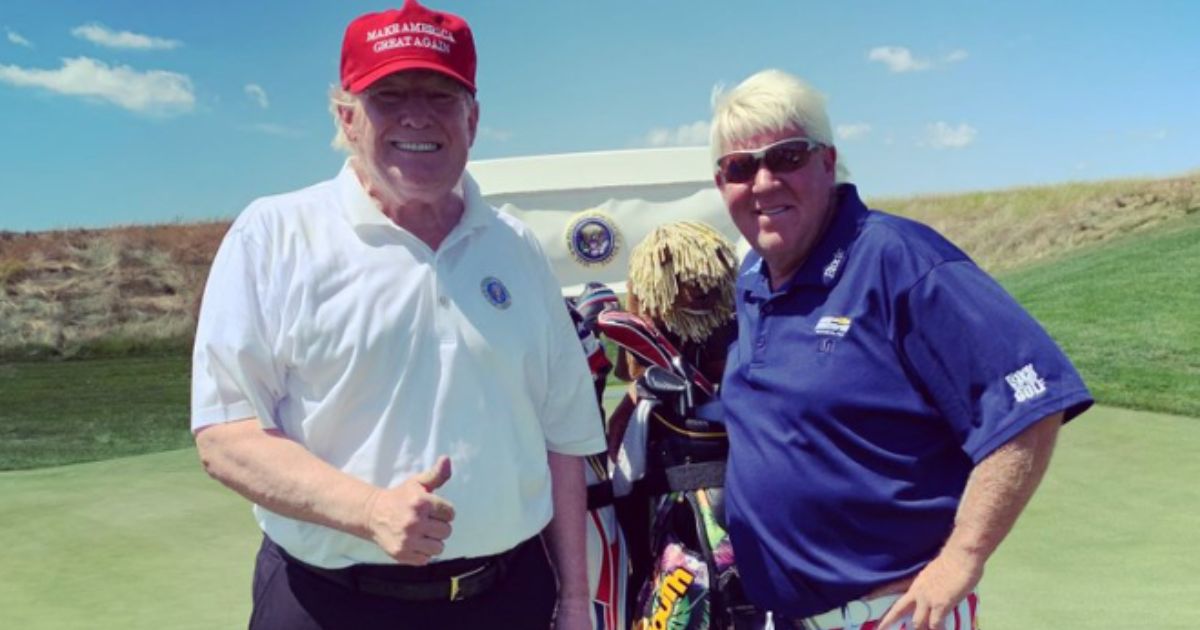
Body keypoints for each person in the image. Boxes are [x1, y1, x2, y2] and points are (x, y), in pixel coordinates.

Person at [189, 2, 605, 628]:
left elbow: (562, 437)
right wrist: (368, 509)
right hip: (326, 601)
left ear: (473, 117)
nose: (417, 115)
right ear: (346, 117)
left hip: (507, 597)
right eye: (389, 95)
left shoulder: (515, 246)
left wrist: (575, 599)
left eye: (441, 94)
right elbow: (226, 436)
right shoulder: (272, 234)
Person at [709, 69, 1094, 630]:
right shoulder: (753, 279)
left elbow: (1028, 408)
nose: (764, 182)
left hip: (892, 616)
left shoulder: (901, 261)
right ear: (722, 186)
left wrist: (963, 557)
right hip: (786, 617)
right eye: (740, 167)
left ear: (827, 162)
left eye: (786, 156)